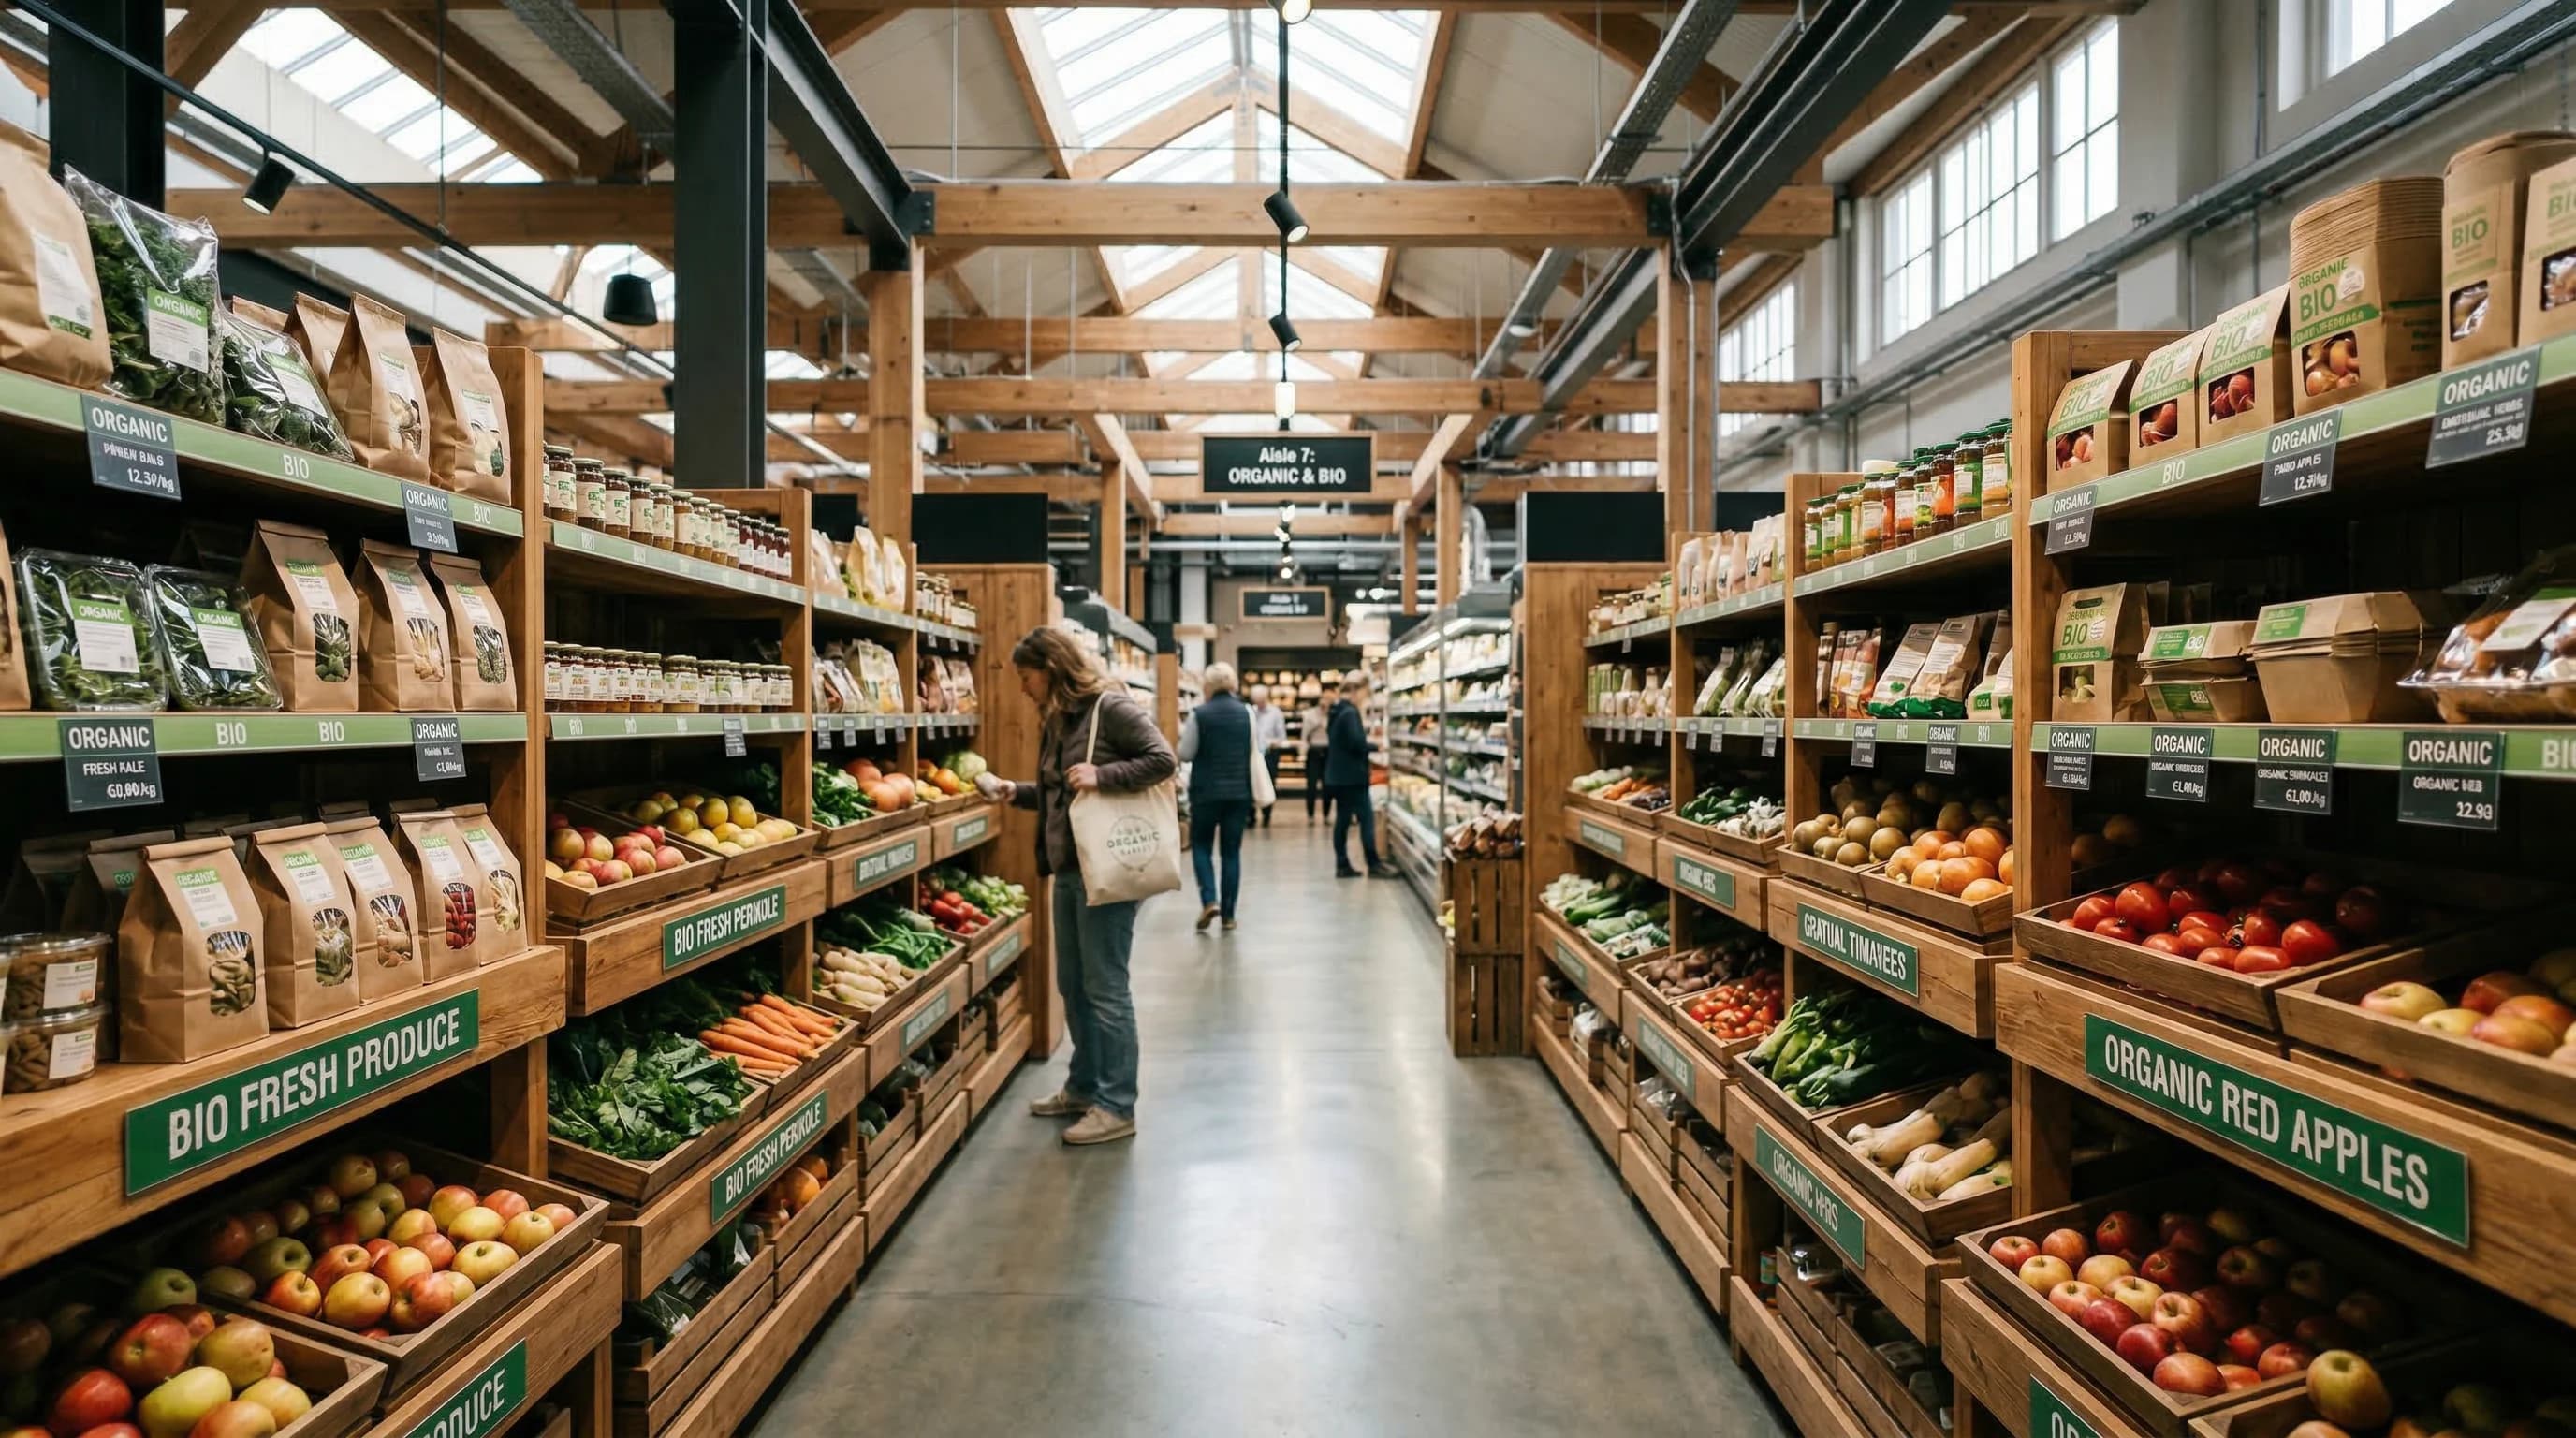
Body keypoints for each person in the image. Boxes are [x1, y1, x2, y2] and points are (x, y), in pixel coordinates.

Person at [975, 626, 1175, 1146]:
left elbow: (1163, 760)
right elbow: (1058, 795)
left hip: (1106, 870)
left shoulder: (1110, 706)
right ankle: (1084, 1086)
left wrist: (1103, 777)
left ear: (1052, 668)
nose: (1023, 688)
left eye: (1027, 677)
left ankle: (1117, 1103)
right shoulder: (1059, 718)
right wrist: (1012, 791)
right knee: (1073, 986)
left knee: (1106, 988)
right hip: (1068, 869)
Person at [1178, 663, 1257, 932]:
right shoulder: (1247, 712)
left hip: (1205, 793)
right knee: (1231, 852)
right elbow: (1255, 749)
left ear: (1208, 686)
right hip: (1238, 793)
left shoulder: (1199, 714)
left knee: (1201, 846)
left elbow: (1186, 753)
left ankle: (1209, 899)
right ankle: (1229, 915)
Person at [1325, 669, 1395, 879]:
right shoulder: (1350, 713)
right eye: (1366, 691)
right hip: (1352, 777)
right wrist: (1377, 746)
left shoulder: (1336, 710)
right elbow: (1356, 743)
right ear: (1358, 690)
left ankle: (1342, 863)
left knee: (1343, 821)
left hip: (1338, 776)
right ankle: (1373, 864)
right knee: (1366, 818)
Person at [1247, 683, 1289, 828]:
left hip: (1269, 753)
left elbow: (1281, 736)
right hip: (1253, 753)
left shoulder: (1275, 713)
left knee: (1269, 781)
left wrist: (1271, 743)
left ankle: (1266, 813)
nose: (1258, 703)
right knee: (1251, 782)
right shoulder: (1251, 711)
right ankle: (1250, 815)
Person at [1300, 686, 1335, 823]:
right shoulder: (1310, 714)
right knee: (1311, 786)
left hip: (1328, 752)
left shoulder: (1333, 715)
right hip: (1314, 751)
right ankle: (1310, 815)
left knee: (1328, 785)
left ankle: (1326, 815)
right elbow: (1305, 735)